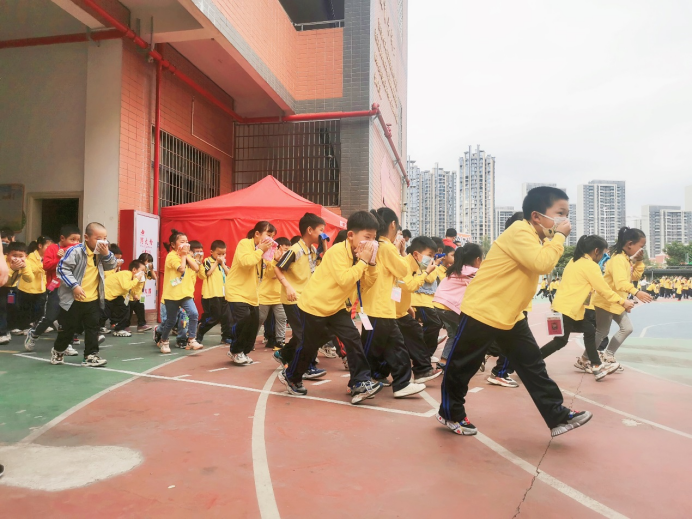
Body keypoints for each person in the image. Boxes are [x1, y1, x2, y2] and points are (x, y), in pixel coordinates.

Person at [436, 186, 592, 438]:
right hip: (484, 310)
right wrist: (560, 237)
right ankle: (449, 413)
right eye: (560, 213)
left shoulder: (536, 238)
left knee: (533, 365)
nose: (565, 220)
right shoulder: (519, 231)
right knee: (462, 365)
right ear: (536, 216)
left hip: (510, 315)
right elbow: (542, 264)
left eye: (567, 213)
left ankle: (557, 416)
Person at [278, 211, 384, 403]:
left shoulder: (360, 256)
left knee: (353, 340)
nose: (371, 243)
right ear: (351, 235)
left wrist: (372, 263)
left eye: (373, 239)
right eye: (367, 238)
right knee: (308, 348)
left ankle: (359, 383)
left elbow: (368, 283)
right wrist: (362, 262)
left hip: (336, 308)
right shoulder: (337, 252)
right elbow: (344, 281)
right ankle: (291, 376)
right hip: (314, 306)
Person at [539, 235, 634, 380]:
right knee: (561, 341)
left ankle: (596, 365)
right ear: (596, 251)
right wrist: (622, 301)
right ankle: (530, 361)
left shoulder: (574, 260)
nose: (602, 256)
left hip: (566, 307)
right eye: (603, 253)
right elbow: (604, 289)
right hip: (568, 309)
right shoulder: (590, 266)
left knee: (589, 330)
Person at [359, 207, 427, 398]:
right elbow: (402, 270)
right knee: (372, 349)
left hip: (380, 308)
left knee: (396, 347)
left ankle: (401, 383)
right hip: (378, 309)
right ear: (392, 224)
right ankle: (358, 381)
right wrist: (401, 252)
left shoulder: (377, 245)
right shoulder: (386, 246)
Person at [52, 222, 117, 367]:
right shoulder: (74, 251)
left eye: (105, 238)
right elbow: (62, 269)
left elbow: (112, 265)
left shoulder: (103, 253)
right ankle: (58, 350)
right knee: (69, 329)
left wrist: (106, 254)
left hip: (93, 299)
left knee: (93, 328)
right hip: (74, 299)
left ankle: (90, 356)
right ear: (86, 237)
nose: (103, 242)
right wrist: (74, 286)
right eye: (98, 238)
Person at [274, 213, 326, 378]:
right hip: (293, 299)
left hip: (306, 298)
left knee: (304, 332)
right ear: (310, 230)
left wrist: (324, 247)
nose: (323, 234)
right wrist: (288, 286)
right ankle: (305, 367)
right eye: (321, 230)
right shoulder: (295, 249)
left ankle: (284, 354)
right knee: (304, 335)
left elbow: (322, 266)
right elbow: (278, 267)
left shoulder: (311, 250)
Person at [591, 227, 652, 367]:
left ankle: (608, 355)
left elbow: (635, 276)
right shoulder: (618, 259)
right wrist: (637, 293)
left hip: (618, 302)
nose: (641, 249)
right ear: (630, 244)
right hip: (607, 300)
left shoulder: (626, 260)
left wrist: (639, 261)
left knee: (627, 328)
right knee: (602, 332)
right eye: (641, 246)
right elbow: (620, 283)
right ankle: (585, 358)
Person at [25, 225, 82, 354]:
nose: (76, 243)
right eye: (73, 239)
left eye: (78, 240)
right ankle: (34, 334)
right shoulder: (52, 249)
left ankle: (66, 345)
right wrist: (59, 258)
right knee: (50, 317)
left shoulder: (77, 250)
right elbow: (46, 266)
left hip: (72, 287)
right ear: (62, 238)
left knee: (69, 317)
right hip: (55, 287)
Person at [394, 235, 443, 384]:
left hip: (400, 311)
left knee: (414, 332)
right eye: (429, 255)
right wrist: (427, 272)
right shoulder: (405, 265)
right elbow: (409, 286)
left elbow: (402, 288)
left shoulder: (413, 265)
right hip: (389, 312)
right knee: (391, 345)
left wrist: (407, 307)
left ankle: (422, 369)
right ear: (416, 254)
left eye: (433, 256)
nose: (431, 260)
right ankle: (378, 374)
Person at [225, 221, 276, 365]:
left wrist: (274, 260)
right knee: (244, 319)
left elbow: (269, 274)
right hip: (237, 290)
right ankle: (235, 350)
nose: (270, 239)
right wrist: (260, 250)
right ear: (257, 234)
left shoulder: (264, 253)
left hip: (252, 294)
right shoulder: (245, 244)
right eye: (268, 235)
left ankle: (242, 351)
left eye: (272, 236)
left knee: (254, 324)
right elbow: (246, 262)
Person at [153, 229, 203, 353]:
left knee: (194, 314)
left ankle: (191, 339)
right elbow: (181, 269)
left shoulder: (188, 255)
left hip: (185, 293)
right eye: (182, 242)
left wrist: (187, 256)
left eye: (187, 241)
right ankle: (164, 341)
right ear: (174, 245)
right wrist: (184, 256)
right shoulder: (171, 256)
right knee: (171, 320)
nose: (185, 244)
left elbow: (196, 267)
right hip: (172, 295)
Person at [434, 243, 481, 367]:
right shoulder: (473, 271)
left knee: (454, 334)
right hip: (449, 307)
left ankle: (443, 362)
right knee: (470, 332)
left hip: (439, 305)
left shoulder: (456, 268)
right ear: (477, 260)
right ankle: (468, 360)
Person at [257, 236, 290, 351]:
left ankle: (279, 342)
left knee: (282, 318)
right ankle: (249, 340)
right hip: (265, 295)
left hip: (279, 296)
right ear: (279, 248)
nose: (286, 252)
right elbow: (272, 275)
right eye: (285, 249)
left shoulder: (287, 260)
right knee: (260, 319)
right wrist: (276, 261)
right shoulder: (268, 258)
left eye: (288, 250)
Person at [196, 240, 231, 344]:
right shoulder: (207, 261)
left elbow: (230, 274)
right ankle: (200, 330)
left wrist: (222, 264)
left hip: (224, 294)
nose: (221, 256)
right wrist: (216, 262)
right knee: (215, 316)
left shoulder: (223, 263)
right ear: (212, 252)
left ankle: (226, 336)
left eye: (223, 254)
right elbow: (207, 273)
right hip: (212, 294)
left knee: (227, 317)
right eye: (218, 254)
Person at [15, 236, 51, 334]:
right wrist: (44, 266)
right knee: (26, 309)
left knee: (40, 308)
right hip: (28, 288)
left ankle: (39, 326)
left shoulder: (46, 258)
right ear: (40, 246)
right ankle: (25, 327)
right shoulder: (31, 256)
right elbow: (33, 269)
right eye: (48, 247)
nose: (50, 249)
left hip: (41, 287)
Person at [103, 259, 147, 337]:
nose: (143, 273)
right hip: (107, 294)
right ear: (134, 270)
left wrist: (134, 295)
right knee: (105, 313)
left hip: (116, 295)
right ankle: (97, 328)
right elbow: (126, 286)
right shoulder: (126, 274)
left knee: (125, 308)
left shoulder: (131, 278)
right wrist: (137, 279)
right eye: (142, 270)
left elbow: (130, 288)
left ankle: (119, 329)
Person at [1, 242, 34, 345]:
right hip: (2, 288)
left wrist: (24, 268)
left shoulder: (26, 263)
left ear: (26, 256)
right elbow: (3, 280)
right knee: (2, 309)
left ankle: (9, 328)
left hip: (13, 289)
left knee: (13, 308)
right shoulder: (4, 262)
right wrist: (12, 269)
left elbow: (30, 279)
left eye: (21, 256)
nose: (17, 259)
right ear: (7, 254)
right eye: (14, 255)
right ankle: (2, 333)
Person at [126, 253, 155, 332]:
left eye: (151, 262)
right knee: (128, 311)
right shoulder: (136, 271)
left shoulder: (145, 272)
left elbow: (154, 277)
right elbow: (132, 284)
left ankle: (141, 325)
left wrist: (151, 269)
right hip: (131, 294)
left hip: (139, 295)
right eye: (148, 261)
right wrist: (134, 294)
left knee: (140, 309)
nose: (149, 263)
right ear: (141, 261)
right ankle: (125, 326)